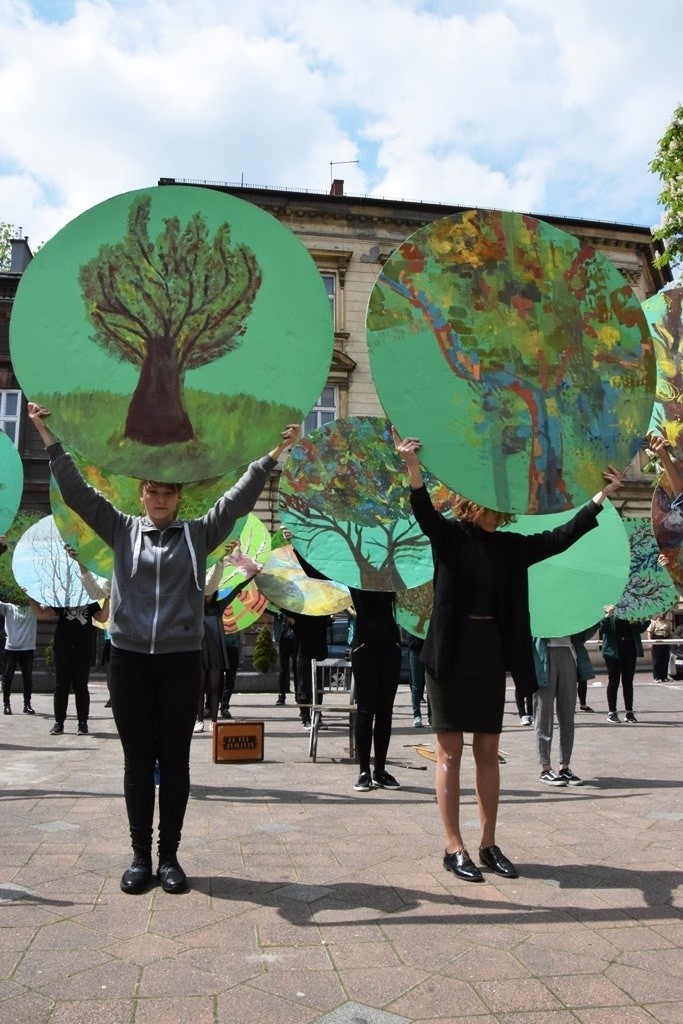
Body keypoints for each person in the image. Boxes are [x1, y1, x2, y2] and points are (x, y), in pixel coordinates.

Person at [29, 400, 299, 896]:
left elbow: (237, 502)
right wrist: (47, 435)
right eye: (152, 490)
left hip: (178, 662)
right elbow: (76, 491)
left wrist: (272, 455)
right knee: (137, 762)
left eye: (168, 492)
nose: (159, 498)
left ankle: (170, 856)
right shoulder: (120, 528)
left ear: (178, 498)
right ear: (142, 493)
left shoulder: (198, 535)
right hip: (129, 661)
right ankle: (139, 856)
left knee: (175, 760)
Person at [394, 428, 624, 882]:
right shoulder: (451, 537)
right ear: (480, 502)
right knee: (450, 753)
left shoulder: (511, 547)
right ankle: (453, 845)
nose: (508, 509)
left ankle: (488, 844)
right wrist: (413, 467)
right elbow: (423, 512)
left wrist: (600, 496)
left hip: (488, 657)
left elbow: (562, 535)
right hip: (448, 657)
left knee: (487, 751)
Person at [350, 589, 402, 791]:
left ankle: (380, 770)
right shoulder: (355, 570)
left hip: (391, 646)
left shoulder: (392, 571)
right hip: (364, 646)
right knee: (365, 709)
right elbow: (322, 568)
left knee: (385, 710)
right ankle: (364, 772)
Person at [532, 627, 596, 787]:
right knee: (543, 715)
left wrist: (599, 618)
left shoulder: (572, 604)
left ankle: (564, 766)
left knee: (567, 715)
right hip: (543, 655)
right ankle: (545, 768)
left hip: (568, 653)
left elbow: (582, 633)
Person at [600, 607, 650, 724]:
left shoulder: (632, 609)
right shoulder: (608, 608)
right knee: (614, 681)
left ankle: (629, 712)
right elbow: (603, 629)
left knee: (628, 682)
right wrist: (608, 616)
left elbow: (640, 628)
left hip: (629, 649)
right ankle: (612, 712)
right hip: (613, 650)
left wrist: (647, 618)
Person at [406, 630, 430, 728]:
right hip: (415, 648)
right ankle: (417, 716)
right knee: (416, 685)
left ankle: (431, 716)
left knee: (430, 686)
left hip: (429, 648)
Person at [273, 610, 297, 706]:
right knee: (283, 669)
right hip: (284, 639)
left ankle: (298, 695)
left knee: (296, 668)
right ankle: (281, 695)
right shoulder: (280, 610)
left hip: (295, 639)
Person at [647, 612, 672, 683]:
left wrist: (671, 642)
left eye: (665, 613)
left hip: (665, 640)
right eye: (662, 613)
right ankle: (656, 677)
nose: (663, 615)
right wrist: (650, 643)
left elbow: (670, 633)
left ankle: (664, 676)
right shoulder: (654, 622)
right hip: (657, 640)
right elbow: (649, 632)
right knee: (656, 659)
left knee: (665, 659)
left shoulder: (667, 622)